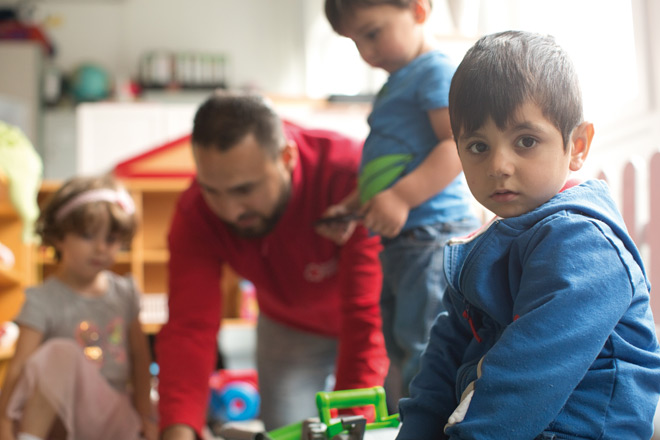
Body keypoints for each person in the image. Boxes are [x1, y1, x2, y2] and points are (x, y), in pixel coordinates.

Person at [396, 30, 660, 440]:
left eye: (525, 141)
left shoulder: (584, 241)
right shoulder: (481, 249)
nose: (499, 164)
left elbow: (527, 379)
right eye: (478, 146)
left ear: (577, 145)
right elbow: (439, 366)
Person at [156, 91, 389, 439]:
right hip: (289, 327)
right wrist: (178, 429)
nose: (230, 211)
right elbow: (189, 328)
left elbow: (366, 315)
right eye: (213, 190)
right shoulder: (196, 211)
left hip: (379, 321)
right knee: (285, 430)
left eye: (244, 190)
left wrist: (349, 424)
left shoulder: (348, 175)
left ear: (286, 157)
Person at [321, 0, 480, 397]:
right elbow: (389, 167)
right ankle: (410, 419)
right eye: (355, 41)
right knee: (401, 344)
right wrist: (353, 206)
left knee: (425, 344)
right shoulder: (397, 84)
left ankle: (428, 424)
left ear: (418, 10)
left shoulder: (434, 71)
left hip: (431, 234)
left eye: (372, 33)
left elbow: (455, 145)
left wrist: (402, 198)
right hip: (403, 242)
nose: (367, 52)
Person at [0, 175, 156, 440]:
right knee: (61, 353)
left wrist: (147, 418)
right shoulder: (43, 298)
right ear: (59, 237)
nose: (100, 248)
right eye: (87, 236)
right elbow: (19, 367)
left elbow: (141, 360)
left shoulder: (124, 293)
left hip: (114, 417)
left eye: (111, 239)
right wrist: (4, 423)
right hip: (58, 420)